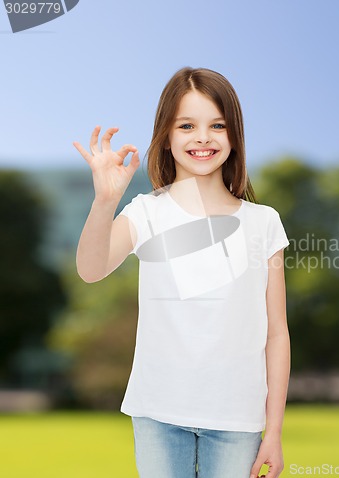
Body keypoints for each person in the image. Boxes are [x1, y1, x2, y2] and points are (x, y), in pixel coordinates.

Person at [73, 67, 290, 478]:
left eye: (217, 125)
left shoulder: (264, 222)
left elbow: (276, 332)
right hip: (157, 412)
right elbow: (90, 270)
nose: (202, 137)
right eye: (187, 125)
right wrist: (105, 201)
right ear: (167, 137)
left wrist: (274, 432)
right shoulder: (146, 211)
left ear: (234, 135)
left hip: (236, 418)